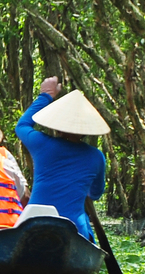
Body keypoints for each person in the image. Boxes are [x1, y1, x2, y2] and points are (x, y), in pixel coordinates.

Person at [16, 76, 108, 241]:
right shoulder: (96, 157)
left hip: (32, 224)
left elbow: (22, 126)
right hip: (74, 229)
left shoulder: (41, 144)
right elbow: (95, 193)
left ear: (56, 127)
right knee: (86, 228)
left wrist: (46, 95)